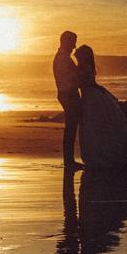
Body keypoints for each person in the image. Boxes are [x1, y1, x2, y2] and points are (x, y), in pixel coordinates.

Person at [53, 31, 83, 169]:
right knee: (71, 127)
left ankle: (69, 160)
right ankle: (69, 161)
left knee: (71, 126)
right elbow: (71, 78)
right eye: (73, 42)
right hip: (68, 94)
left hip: (66, 93)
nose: (74, 45)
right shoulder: (63, 59)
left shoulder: (62, 57)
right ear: (65, 41)